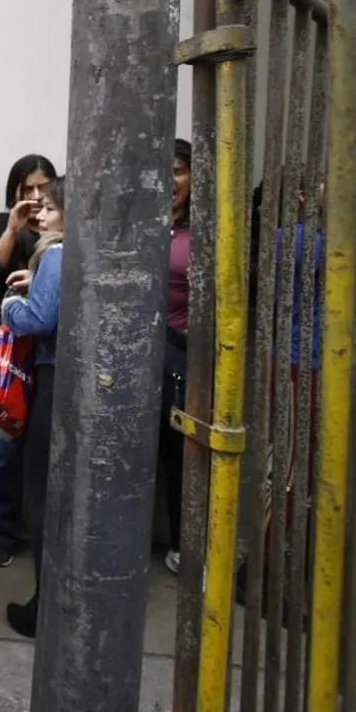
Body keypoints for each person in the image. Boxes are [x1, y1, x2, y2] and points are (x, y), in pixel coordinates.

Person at [0, 154, 59, 567]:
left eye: (44, 187)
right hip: (8, 359)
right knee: (3, 452)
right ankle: (2, 535)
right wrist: (12, 229)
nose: (37, 196)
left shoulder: (64, 228)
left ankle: (45, 535)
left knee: (47, 453)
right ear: (15, 192)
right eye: (28, 188)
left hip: (49, 359)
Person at [0, 177, 65, 639]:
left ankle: (45, 607)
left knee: (43, 497)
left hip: (54, 383)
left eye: (50, 208)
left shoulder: (58, 254)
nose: (40, 214)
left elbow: (39, 319)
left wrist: (11, 305)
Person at [159, 139, 192, 575]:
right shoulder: (134, 223)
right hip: (131, 357)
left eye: (179, 170)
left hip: (180, 360)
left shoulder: (201, 233)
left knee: (178, 457)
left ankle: (184, 546)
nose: (169, 179)